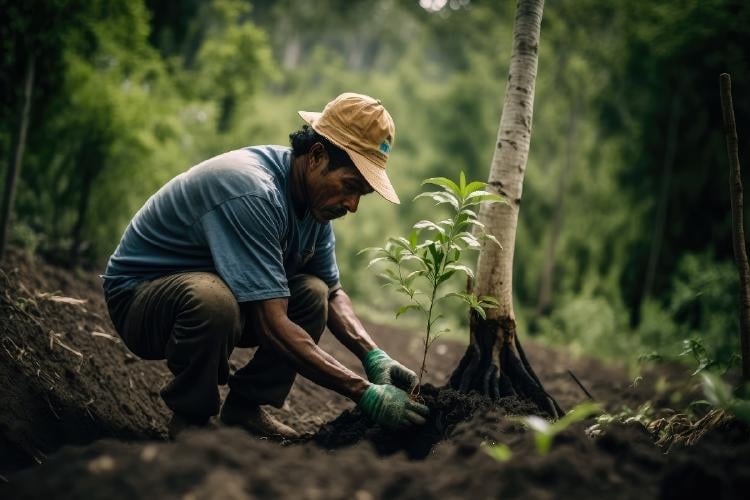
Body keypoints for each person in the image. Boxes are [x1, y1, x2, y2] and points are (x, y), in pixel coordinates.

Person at [102, 93, 429, 439]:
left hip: (214, 294)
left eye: (361, 194)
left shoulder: (316, 206)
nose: (352, 205)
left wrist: (374, 357)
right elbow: (272, 323)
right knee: (214, 301)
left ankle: (244, 411)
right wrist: (363, 392)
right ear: (317, 156)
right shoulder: (254, 192)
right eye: (350, 187)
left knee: (312, 294)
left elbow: (332, 293)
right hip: (140, 298)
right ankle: (192, 419)